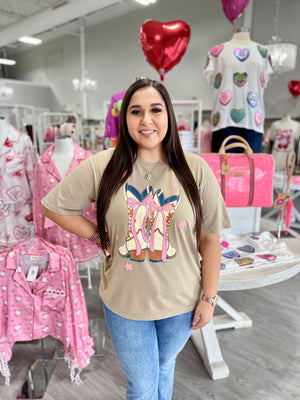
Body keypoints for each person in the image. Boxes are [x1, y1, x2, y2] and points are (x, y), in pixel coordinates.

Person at [41, 78, 231, 400]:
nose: (146, 120)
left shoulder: (195, 169)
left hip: (182, 303)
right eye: (135, 111)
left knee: (164, 366)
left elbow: (210, 240)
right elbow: (53, 206)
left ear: (168, 115)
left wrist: (209, 299)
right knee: (141, 389)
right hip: (126, 303)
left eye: (155, 110)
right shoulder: (105, 165)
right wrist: (97, 235)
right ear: (124, 118)